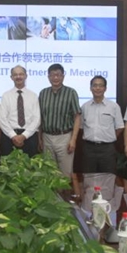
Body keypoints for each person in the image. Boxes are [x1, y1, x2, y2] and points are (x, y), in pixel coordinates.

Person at [39, 63, 82, 197]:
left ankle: (64, 201)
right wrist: (40, 138)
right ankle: (51, 201)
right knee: (49, 172)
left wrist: (73, 139)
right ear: (48, 77)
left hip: (64, 137)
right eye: (52, 75)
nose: (55, 78)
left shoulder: (71, 92)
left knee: (65, 173)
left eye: (58, 75)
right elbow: (40, 118)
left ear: (63, 76)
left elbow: (77, 117)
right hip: (46, 137)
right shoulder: (43, 93)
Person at [80, 75, 124, 201]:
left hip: (107, 149)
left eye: (100, 85)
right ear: (90, 88)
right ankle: (90, 205)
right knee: (89, 181)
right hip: (89, 148)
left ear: (105, 88)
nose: (97, 88)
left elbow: (120, 127)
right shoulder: (85, 107)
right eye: (95, 85)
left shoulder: (113, 106)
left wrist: (109, 138)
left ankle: (105, 206)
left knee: (108, 182)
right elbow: (81, 127)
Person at [0, 65, 40, 157]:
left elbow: (37, 119)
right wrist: (13, 136)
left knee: (30, 165)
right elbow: (2, 119)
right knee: (8, 165)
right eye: (15, 75)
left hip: (29, 137)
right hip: (9, 137)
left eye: (21, 74)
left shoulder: (33, 96)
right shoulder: (6, 96)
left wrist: (24, 135)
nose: (18, 77)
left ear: (26, 76)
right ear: (11, 77)